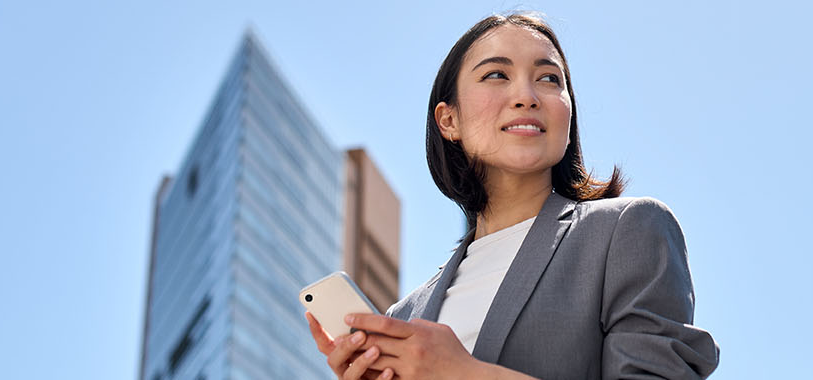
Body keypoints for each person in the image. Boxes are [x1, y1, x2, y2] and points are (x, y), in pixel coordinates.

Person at [305, 12, 719, 380]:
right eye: (497, 75)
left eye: (549, 79)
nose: (527, 96)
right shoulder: (406, 314)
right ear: (449, 120)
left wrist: (463, 374)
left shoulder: (628, 230)